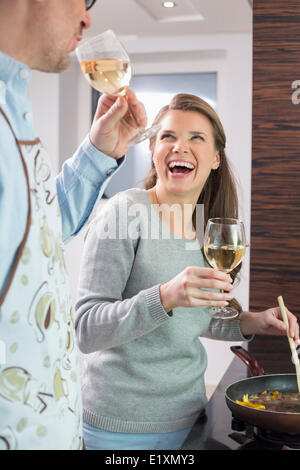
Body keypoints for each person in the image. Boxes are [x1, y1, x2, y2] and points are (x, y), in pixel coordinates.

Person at [75, 93, 300, 450]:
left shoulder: (207, 229)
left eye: (196, 138)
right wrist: (165, 296)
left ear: (215, 159)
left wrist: (255, 321)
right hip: (125, 425)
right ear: (153, 150)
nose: (180, 147)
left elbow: (199, 319)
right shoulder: (123, 212)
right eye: (168, 136)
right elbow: (86, 328)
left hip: (192, 415)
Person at [0, 0, 147, 450]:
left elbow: (38, 232)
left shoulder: (12, 107)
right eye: (81, 1)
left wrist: (99, 151)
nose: (87, 18)